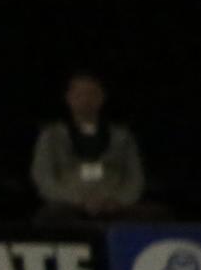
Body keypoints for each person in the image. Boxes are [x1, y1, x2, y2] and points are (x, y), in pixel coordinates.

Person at [31, 73, 147, 220]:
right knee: (48, 216)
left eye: (92, 94)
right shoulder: (51, 136)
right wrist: (77, 201)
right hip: (68, 205)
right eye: (79, 94)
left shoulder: (122, 136)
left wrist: (118, 201)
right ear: (69, 98)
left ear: (102, 98)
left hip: (115, 204)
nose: (86, 100)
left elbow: (135, 177)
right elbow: (43, 177)